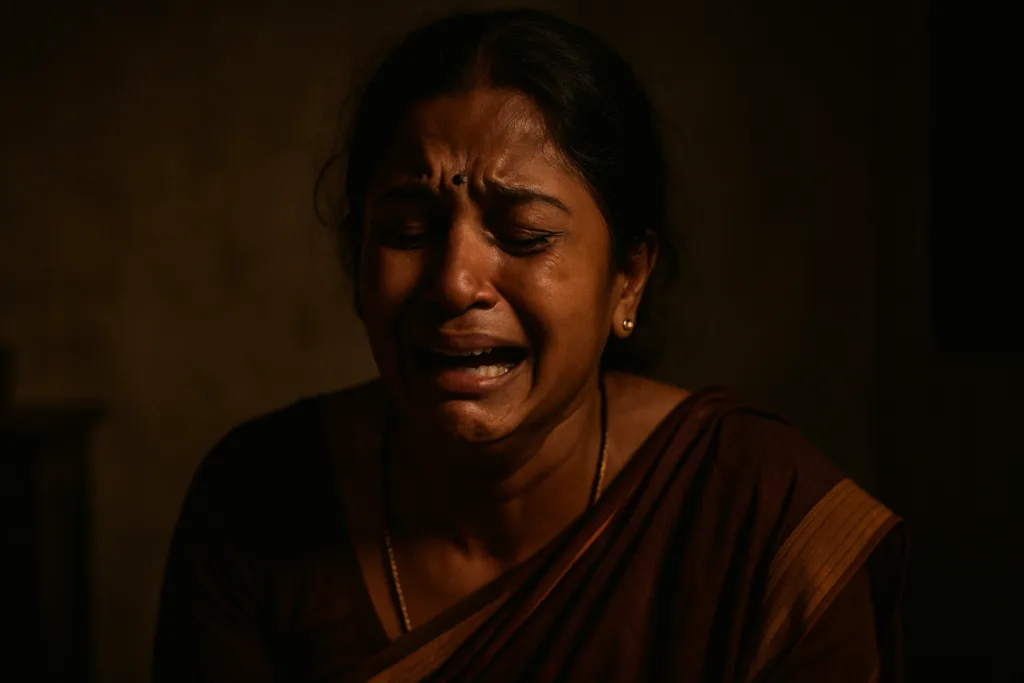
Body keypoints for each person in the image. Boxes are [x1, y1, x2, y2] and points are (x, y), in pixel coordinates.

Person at [152, 9, 906, 682]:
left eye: (524, 235)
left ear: (628, 280)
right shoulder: (257, 499)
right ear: (358, 267)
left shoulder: (759, 514)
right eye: (407, 231)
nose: (454, 283)